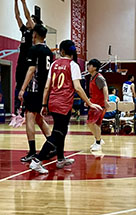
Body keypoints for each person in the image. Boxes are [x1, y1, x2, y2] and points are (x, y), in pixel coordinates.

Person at [29, 40, 101, 174]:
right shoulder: (73, 65)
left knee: (62, 131)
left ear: (61, 51)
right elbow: (78, 87)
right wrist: (89, 103)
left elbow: (47, 86)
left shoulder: (54, 64)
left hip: (53, 101)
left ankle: (60, 158)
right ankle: (37, 160)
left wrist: (44, 104)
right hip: (64, 103)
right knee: (57, 133)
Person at [18, 24, 54, 163]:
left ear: (34, 35)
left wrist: (22, 89)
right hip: (45, 88)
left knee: (29, 117)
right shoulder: (49, 51)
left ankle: (32, 151)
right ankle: (52, 145)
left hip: (34, 88)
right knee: (39, 117)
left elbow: (31, 69)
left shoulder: (34, 50)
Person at [14, 0, 37, 113]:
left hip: (29, 62)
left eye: (31, 20)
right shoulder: (24, 30)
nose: (28, 21)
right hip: (21, 61)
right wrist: (15, 2)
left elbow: (27, 16)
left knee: (27, 85)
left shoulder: (34, 31)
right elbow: (17, 16)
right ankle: (17, 109)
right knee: (18, 84)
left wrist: (23, 2)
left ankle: (26, 108)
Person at [86, 59, 110, 152]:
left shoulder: (99, 78)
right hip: (94, 103)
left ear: (95, 67)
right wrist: (88, 100)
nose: (88, 67)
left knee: (95, 123)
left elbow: (105, 88)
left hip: (100, 104)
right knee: (90, 123)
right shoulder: (92, 77)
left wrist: (106, 100)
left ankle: (98, 142)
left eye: (90, 65)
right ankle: (98, 139)